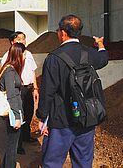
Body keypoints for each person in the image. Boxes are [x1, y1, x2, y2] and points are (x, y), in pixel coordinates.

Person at [36, 14, 109, 168]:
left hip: (61, 120)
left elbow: (47, 91)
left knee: (52, 162)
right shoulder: (88, 53)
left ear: (63, 33)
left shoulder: (54, 58)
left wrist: (42, 117)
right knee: (83, 162)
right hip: (86, 117)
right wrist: (100, 44)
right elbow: (103, 59)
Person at [1, 31, 39, 155]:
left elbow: (33, 71)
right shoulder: (8, 55)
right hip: (18, 89)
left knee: (28, 113)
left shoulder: (28, 54)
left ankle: (26, 136)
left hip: (28, 88)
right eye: (19, 39)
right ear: (12, 42)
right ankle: (18, 144)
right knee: (19, 114)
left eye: (24, 39)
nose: (22, 41)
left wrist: (35, 88)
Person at [0, 42, 25, 168]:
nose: (25, 57)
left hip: (14, 111)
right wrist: (17, 116)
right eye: (24, 54)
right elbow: (11, 95)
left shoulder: (11, 69)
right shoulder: (10, 71)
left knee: (11, 144)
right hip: (12, 113)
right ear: (18, 54)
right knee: (12, 147)